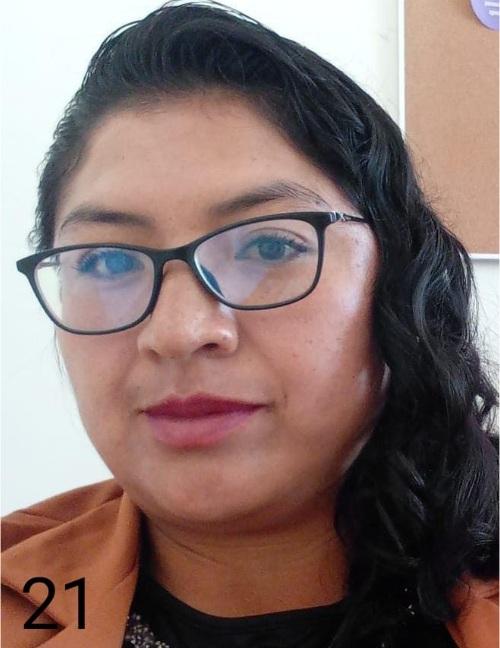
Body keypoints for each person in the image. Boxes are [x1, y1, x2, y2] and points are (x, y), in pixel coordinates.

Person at [2, 2, 498, 647]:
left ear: (402, 282)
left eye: (268, 247)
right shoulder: (20, 602)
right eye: (107, 260)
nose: (178, 331)